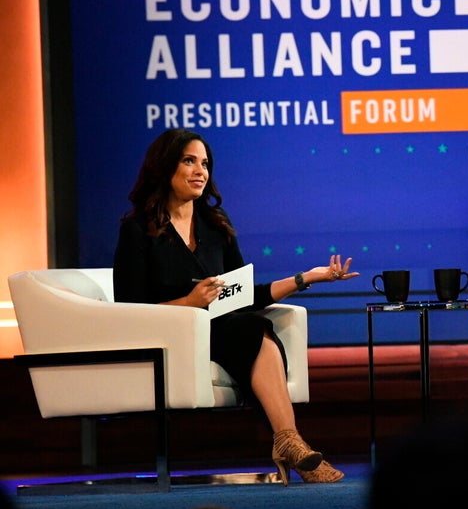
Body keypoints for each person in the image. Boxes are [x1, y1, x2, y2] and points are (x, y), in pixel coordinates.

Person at [113, 128, 359, 484]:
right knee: (250, 329)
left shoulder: (215, 227)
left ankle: (289, 441)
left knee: (252, 325)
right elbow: (129, 306)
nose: (201, 171)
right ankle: (289, 442)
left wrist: (306, 278)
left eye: (205, 164)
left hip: (220, 329)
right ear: (164, 167)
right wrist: (188, 303)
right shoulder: (138, 229)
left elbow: (242, 295)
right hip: (169, 336)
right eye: (189, 161)